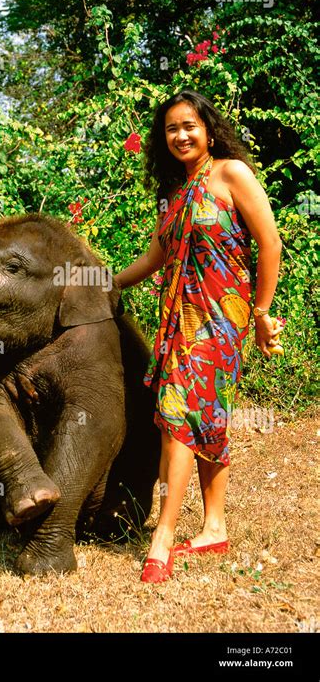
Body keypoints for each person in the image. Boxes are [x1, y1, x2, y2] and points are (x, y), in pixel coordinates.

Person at [113, 89, 283, 584]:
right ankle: (213, 527)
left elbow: (270, 243)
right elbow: (156, 257)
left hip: (220, 321)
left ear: (208, 128)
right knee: (204, 415)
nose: (181, 135)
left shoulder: (231, 174)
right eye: (171, 129)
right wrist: (103, 282)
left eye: (189, 125)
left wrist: (262, 312)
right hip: (180, 319)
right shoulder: (175, 194)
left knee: (178, 415)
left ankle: (162, 536)